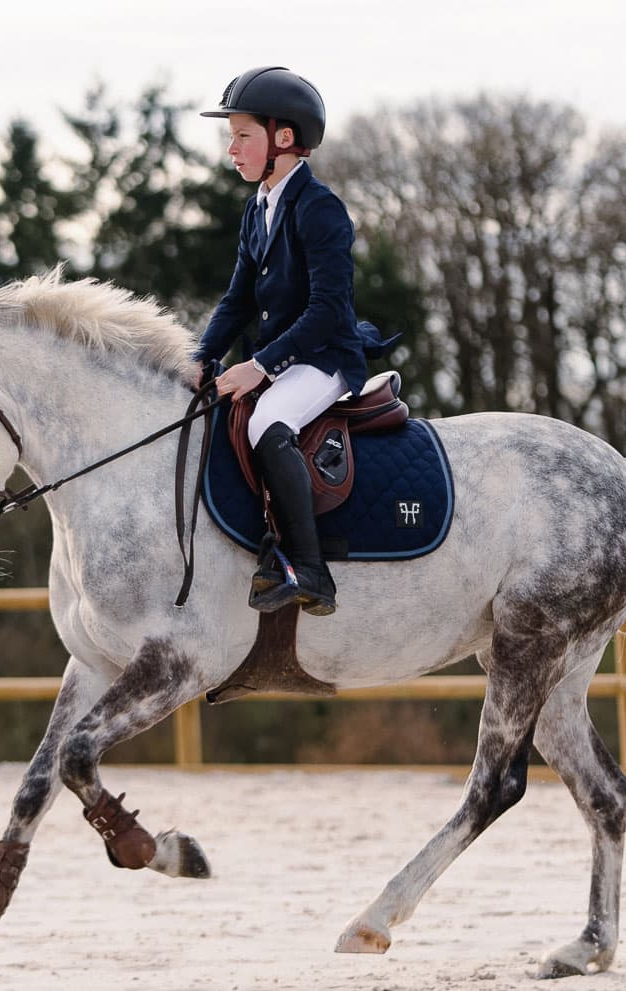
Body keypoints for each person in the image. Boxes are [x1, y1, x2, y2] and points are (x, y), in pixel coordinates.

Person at [194, 66, 393, 617]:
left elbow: (328, 310)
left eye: (242, 135)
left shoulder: (319, 208)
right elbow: (237, 300)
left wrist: (259, 365)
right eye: (230, 137)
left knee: (266, 423)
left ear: (284, 138)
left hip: (326, 358)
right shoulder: (257, 208)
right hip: (283, 360)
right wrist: (202, 355)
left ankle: (310, 569)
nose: (231, 148)